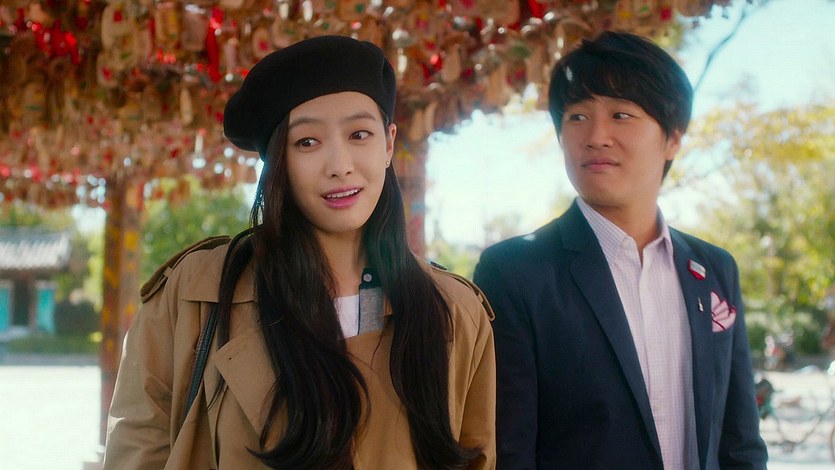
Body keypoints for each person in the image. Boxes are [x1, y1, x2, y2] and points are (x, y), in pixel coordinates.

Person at [104, 35, 496, 469]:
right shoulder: (194, 295)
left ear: (388, 144)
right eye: (307, 142)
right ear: (277, 161)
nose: (340, 165)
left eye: (359, 134)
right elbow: (137, 451)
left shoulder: (455, 312)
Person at [473, 31, 767, 469]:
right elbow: (509, 451)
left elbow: (740, 443)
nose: (596, 136)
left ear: (672, 138)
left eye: (621, 114)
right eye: (577, 116)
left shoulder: (714, 267)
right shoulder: (514, 273)